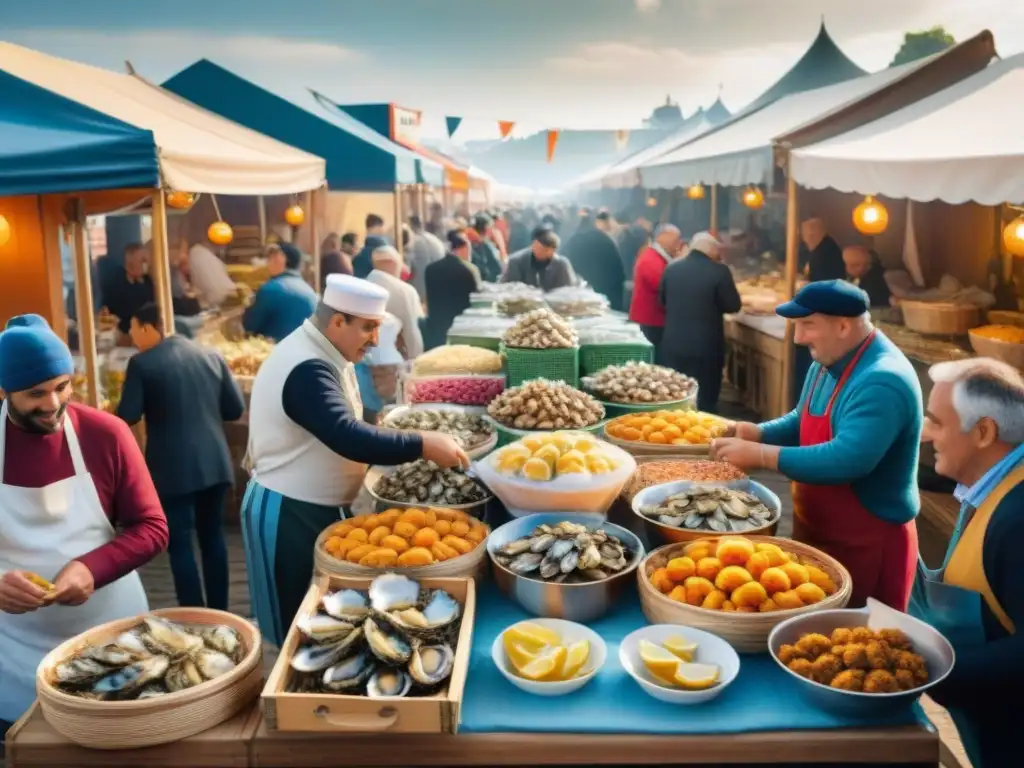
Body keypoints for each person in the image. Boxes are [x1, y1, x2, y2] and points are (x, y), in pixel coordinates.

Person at [241, 275, 470, 646]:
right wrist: (423, 443)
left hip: (316, 508)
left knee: (324, 623)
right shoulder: (307, 367)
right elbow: (345, 434)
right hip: (286, 514)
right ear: (337, 321)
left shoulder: (325, 350)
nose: (375, 340)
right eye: (368, 328)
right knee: (293, 631)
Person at [710, 281, 921, 610]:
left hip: (867, 543)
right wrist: (759, 432)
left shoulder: (882, 380)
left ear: (843, 325)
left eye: (808, 325)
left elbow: (849, 459)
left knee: (856, 645)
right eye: (797, 325)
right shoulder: (827, 362)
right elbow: (802, 419)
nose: (798, 338)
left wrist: (762, 455)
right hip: (818, 529)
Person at [0, 315, 167, 727]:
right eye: (35, 394)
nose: (53, 404)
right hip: (17, 649)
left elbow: (152, 528)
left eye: (62, 386)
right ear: (4, 391)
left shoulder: (105, 434)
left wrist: (90, 568)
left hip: (114, 633)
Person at [910, 358, 1024, 768]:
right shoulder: (991, 483)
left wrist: (927, 669)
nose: (926, 435)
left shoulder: (1017, 518)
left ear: (983, 432)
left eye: (937, 423)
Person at [116, 303, 243, 610]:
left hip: (173, 469)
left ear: (148, 327)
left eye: (133, 328)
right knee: (213, 538)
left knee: (180, 543)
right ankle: (221, 613)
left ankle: (194, 616)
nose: (132, 336)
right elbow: (235, 408)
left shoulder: (143, 364)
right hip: (215, 464)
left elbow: (127, 415)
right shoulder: (210, 355)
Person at [659, 232, 741, 413]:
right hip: (706, 348)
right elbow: (733, 305)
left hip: (673, 345)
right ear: (712, 251)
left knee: (675, 398)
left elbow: (662, 301)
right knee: (706, 403)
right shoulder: (720, 271)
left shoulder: (671, 269)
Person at [242, 243, 318, 342]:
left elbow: (249, 326)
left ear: (281, 259)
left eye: (272, 257)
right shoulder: (310, 292)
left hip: (276, 351)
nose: (268, 262)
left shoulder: (270, 289)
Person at [424, 230, 480, 350]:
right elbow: (474, 301)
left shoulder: (430, 269)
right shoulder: (468, 270)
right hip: (461, 330)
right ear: (462, 248)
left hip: (436, 329)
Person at [629, 224, 682, 349]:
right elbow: (662, 286)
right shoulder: (650, 259)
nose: (678, 244)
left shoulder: (658, 256)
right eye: (676, 240)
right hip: (650, 320)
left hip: (655, 318)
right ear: (662, 237)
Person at [366, 245, 424, 360]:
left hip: (365, 359)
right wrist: (417, 360)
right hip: (394, 359)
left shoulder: (363, 287)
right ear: (395, 264)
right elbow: (413, 333)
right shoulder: (405, 291)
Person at [562, 211, 626, 312]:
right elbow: (618, 272)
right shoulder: (607, 241)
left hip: (579, 294)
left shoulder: (573, 239)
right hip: (606, 293)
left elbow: (564, 263)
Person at [101, 242, 155, 337]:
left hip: (148, 329)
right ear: (130, 262)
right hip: (125, 332)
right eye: (142, 260)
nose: (146, 264)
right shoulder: (116, 284)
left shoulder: (147, 280)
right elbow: (108, 315)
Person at [502, 226, 575, 291]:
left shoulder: (561, 264)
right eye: (539, 248)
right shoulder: (516, 261)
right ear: (534, 244)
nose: (541, 252)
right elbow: (508, 288)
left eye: (546, 251)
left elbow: (568, 290)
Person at [187, 236, 238, 308]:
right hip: (210, 304)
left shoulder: (198, 253)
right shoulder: (202, 255)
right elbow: (220, 292)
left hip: (206, 304)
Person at [406, 215, 446, 304]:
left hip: (422, 290)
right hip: (439, 287)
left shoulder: (414, 243)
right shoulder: (435, 240)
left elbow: (414, 270)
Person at [798, 218, 844, 284]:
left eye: (804, 232)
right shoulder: (814, 248)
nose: (803, 237)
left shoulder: (826, 251)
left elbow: (818, 281)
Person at [466, 215, 502, 283]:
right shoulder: (484, 245)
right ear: (486, 229)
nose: (492, 230)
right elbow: (497, 267)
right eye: (490, 228)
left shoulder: (465, 241)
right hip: (485, 282)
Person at [352, 214, 388, 279]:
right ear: (376, 228)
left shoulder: (361, 253)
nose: (383, 231)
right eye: (381, 227)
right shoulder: (382, 250)